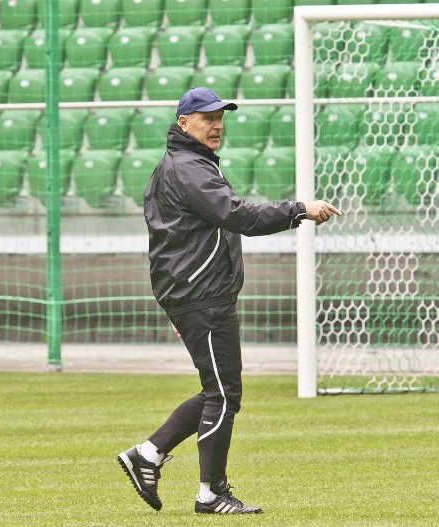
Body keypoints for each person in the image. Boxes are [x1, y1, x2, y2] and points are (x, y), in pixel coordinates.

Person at [117, 87, 341, 515]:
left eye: (220, 116)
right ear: (184, 123)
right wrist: (300, 210)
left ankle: (149, 454)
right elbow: (238, 215)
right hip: (200, 295)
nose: (216, 124)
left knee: (219, 389)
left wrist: (175, 299)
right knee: (222, 392)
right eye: (206, 117)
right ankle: (210, 492)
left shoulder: (184, 165)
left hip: (194, 294)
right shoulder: (188, 169)